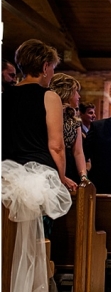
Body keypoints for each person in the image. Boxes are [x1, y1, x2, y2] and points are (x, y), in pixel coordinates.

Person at [2, 39, 77, 191]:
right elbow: (56, 146)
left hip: (7, 173)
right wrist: (61, 177)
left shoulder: (4, 95)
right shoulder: (49, 97)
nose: (52, 73)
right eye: (52, 68)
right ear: (44, 67)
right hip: (39, 175)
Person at [49, 73, 88, 184]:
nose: (79, 96)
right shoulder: (48, 115)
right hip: (51, 166)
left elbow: (78, 152)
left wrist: (83, 177)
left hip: (70, 167)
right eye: (76, 92)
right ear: (67, 93)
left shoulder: (74, 121)